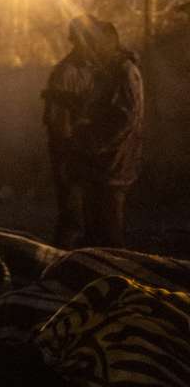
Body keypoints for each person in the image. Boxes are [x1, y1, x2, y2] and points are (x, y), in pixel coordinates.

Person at [42, 16, 143, 248]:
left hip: (110, 164)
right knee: (91, 228)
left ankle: (112, 278)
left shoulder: (122, 72)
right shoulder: (103, 71)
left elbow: (123, 119)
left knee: (106, 233)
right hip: (97, 163)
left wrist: (85, 142)